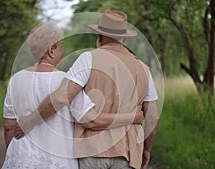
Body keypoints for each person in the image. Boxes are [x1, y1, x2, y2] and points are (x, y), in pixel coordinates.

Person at [19, 10, 159, 169]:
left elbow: (60, 98)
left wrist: (29, 121)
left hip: (91, 151)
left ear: (99, 37)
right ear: (124, 38)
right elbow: (152, 117)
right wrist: (146, 149)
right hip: (128, 152)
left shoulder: (88, 59)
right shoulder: (143, 69)